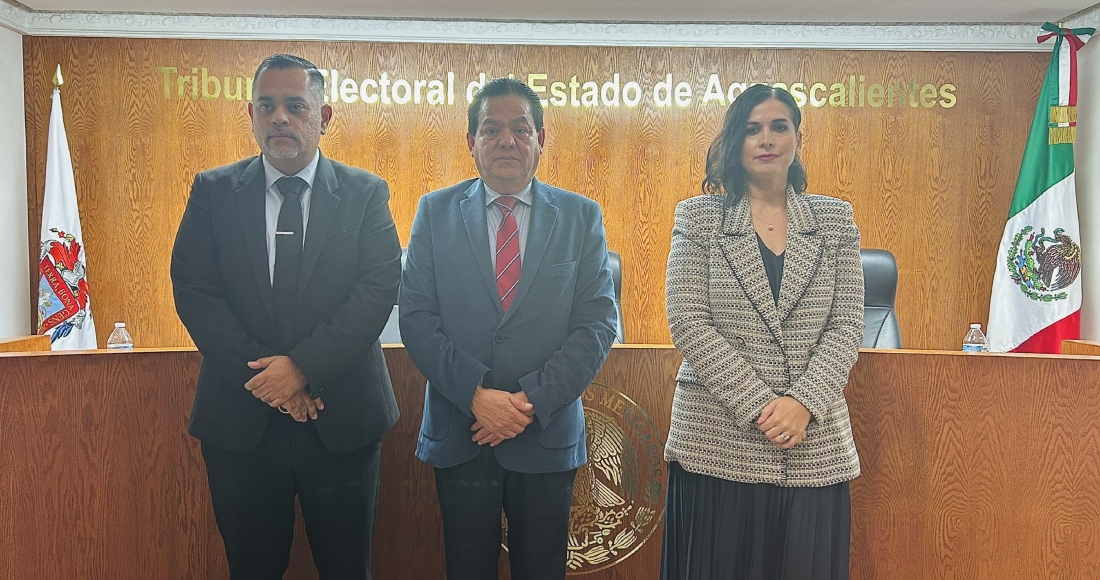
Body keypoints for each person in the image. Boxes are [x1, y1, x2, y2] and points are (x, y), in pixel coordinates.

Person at [170, 54, 401, 580]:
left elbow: (377, 290)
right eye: (267, 106)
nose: (280, 117)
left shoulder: (366, 194)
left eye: (296, 106)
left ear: (325, 117)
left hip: (341, 419)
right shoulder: (213, 192)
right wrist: (271, 380)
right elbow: (195, 292)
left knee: (347, 570)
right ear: (250, 114)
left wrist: (301, 370)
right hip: (241, 421)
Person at [399, 77, 618, 580]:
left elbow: (597, 323)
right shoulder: (435, 212)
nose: (506, 141)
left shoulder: (581, 217)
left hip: (544, 434)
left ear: (541, 139)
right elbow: (416, 316)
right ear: (470, 141)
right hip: (462, 430)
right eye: (491, 129)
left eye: (520, 129)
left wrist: (529, 402)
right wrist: (476, 396)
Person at [661, 84, 865, 580]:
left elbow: (846, 325)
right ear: (736, 140)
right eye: (752, 129)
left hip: (811, 441)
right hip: (718, 439)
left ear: (798, 137)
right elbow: (688, 320)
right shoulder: (699, 218)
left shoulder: (835, 220)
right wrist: (762, 407)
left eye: (779, 127)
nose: (766, 139)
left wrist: (802, 403)